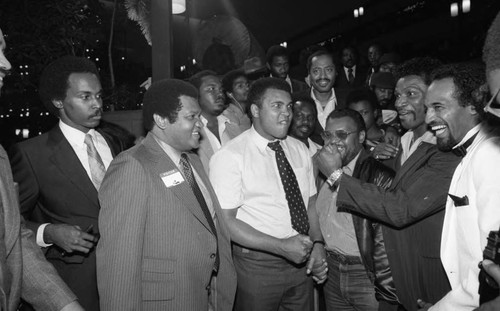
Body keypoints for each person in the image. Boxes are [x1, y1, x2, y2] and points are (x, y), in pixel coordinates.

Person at [314, 58, 462, 311]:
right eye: (397, 95)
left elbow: (398, 208)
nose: (399, 102)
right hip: (364, 270)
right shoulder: (398, 145)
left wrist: (337, 176)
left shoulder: (445, 149)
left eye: (411, 94)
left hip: (420, 272)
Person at [97, 79, 237, 310]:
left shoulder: (193, 160)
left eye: (199, 117)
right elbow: (118, 264)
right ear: (161, 120)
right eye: (191, 117)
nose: (200, 125)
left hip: (204, 294)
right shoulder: (132, 166)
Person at [9, 56, 125, 311]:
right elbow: (10, 223)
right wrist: (49, 232)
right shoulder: (30, 154)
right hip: (75, 286)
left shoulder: (117, 141)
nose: (97, 104)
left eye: (99, 95)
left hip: (127, 277)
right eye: (85, 97)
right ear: (59, 102)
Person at [210, 77, 326, 311]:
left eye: (289, 106)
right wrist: (281, 246)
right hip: (256, 268)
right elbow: (226, 222)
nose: (286, 114)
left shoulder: (298, 148)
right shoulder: (231, 156)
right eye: (276, 106)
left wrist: (318, 243)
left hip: (301, 262)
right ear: (255, 110)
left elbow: (310, 202)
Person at [0, 27, 83, 311]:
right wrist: (49, 232)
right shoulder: (29, 153)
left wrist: (65, 305)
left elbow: (13, 239)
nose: (7, 64)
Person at [420, 63, 499, 311]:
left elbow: (490, 266)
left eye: (438, 107)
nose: (428, 118)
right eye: (427, 109)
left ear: (474, 106)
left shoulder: (489, 153)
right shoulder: (471, 151)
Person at [315, 108, 397, 311]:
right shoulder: (321, 167)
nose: (333, 141)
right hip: (331, 272)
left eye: (342, 134)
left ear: (361, 136)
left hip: (366, 276)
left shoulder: (379, 174)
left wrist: (386, 290)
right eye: (328, 135)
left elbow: (386, 240)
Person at [190, 70, 245, 173]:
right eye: (211, 89)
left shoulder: (234, 127)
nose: (219, 93)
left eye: (221, 89)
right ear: (196, 95)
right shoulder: (190, 132)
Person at [296, 49, 349, 144]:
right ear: (309, 74)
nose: (323, 76)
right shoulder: (296, 102)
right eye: (316, 71)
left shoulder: (349, 100)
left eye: (328, 70)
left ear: (336, 72)